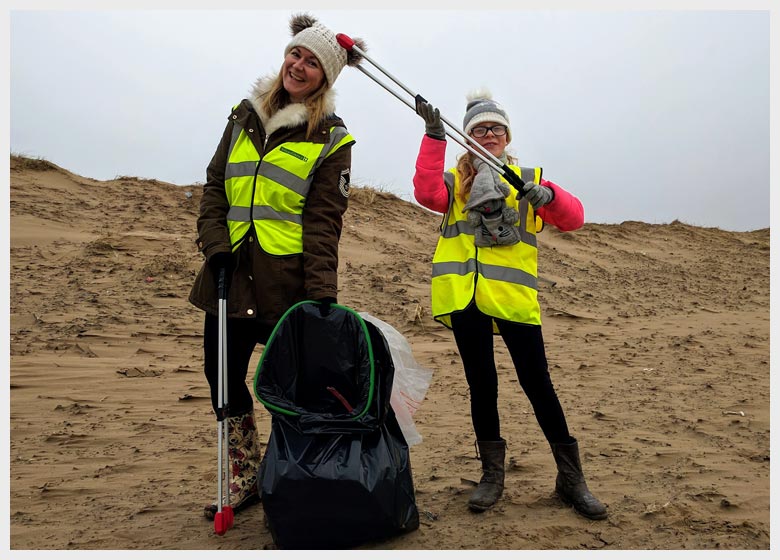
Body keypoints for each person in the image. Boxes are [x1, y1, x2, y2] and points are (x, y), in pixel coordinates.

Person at [188, 12, 366, 519]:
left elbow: (324, 223)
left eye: (314, 63)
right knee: (220, 378)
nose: (300, 66)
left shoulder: (331, 138)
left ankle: (295, 475)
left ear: (326, 78)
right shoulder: (243, 115)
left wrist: (321, 296)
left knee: (296, 388)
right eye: (297, 54)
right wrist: (215, 245)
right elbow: (214, 186)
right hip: (228, 276)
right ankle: (245, 477)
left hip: (287, 287)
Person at [412, 90, 607, 520]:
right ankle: (491, 477)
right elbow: (425, 193)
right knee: (482, 386)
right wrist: (433, 136)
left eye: (495, 128)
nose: (488, 134)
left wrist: (549, 196)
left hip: (515, 300)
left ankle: (572, 478)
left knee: (538, 385)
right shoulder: (453, 184)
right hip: (466, 299)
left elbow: (574, 219)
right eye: (479, 129)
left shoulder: (526, 178)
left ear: (506, 135)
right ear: (468, 137)